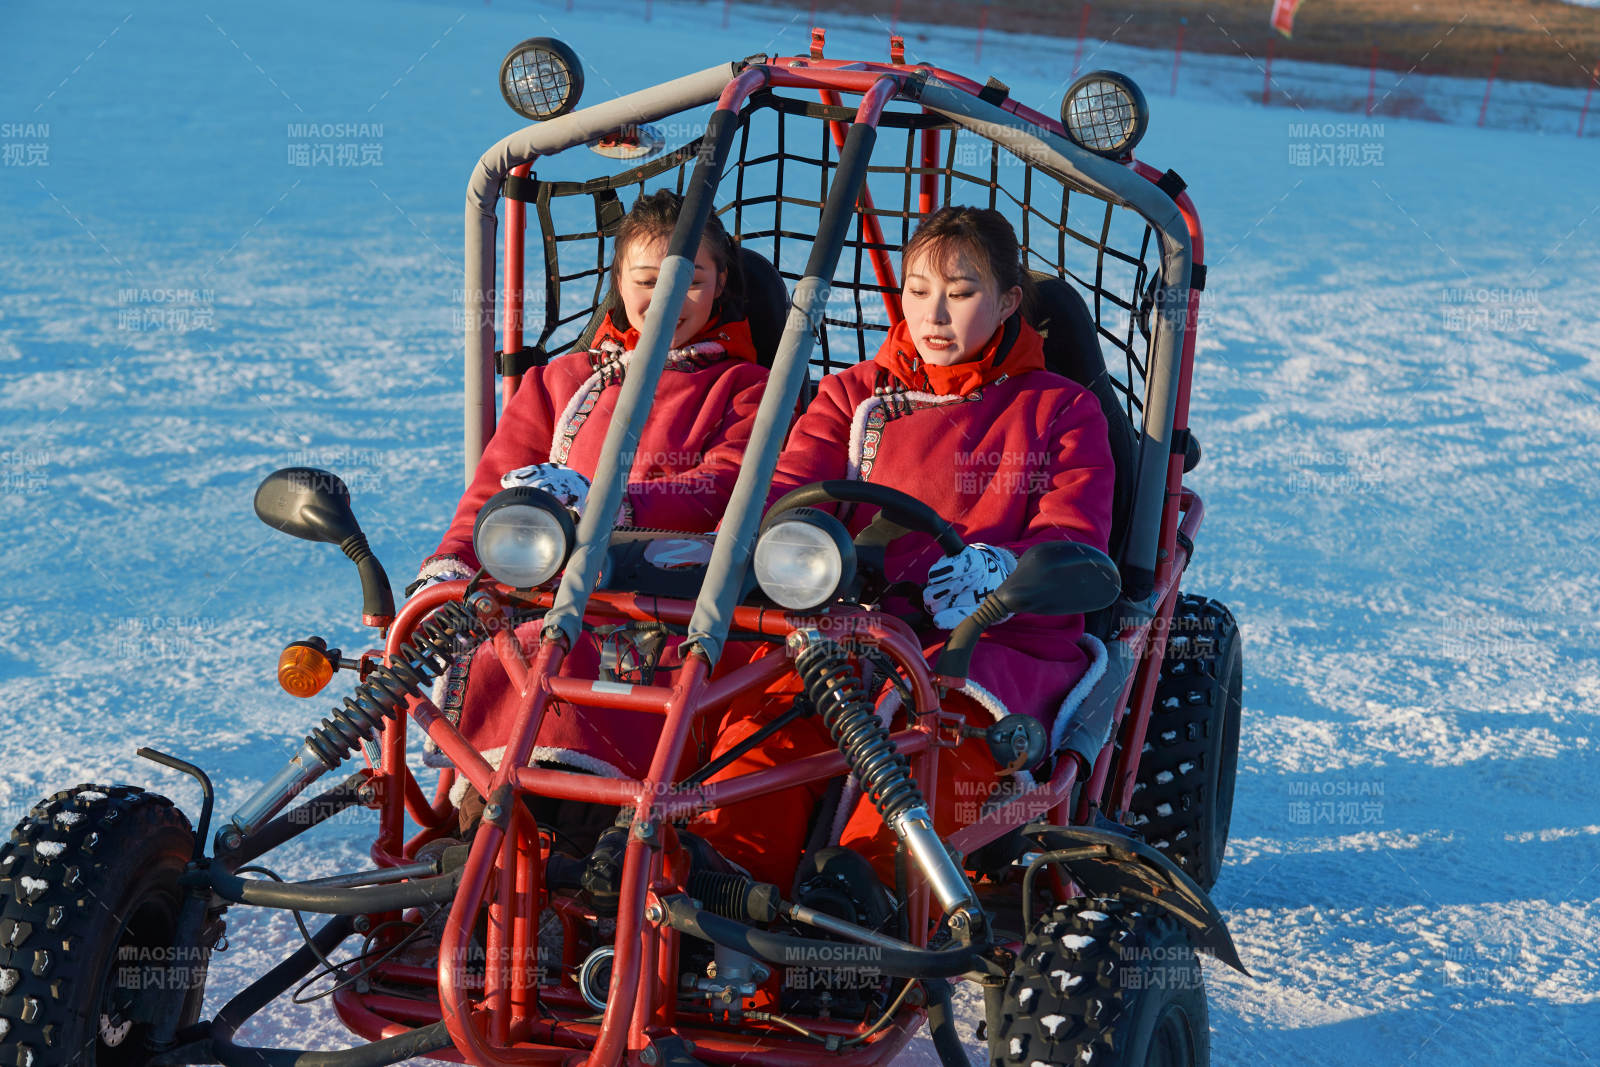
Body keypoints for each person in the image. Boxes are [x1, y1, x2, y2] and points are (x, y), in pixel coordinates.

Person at [692, 205, 1117, 892]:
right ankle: (729, 879)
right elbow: (788, 492)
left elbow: (1075, 533)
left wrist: (999, 571)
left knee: (945, 734)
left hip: (995, 642)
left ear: (1009, 301)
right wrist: (790, 544)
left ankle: (870, 889)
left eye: (962, 292)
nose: (935, 315)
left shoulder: (1060, 408)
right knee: (773, 712)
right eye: (919, 291)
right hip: (849, 626)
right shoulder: (853, 395)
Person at [411, 189, 769, 804]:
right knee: (508, 657)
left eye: (690, 281)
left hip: (668, 605)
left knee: (595, 666)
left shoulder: (744, 385)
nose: (664, 299)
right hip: (542, 593)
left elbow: (728, 483)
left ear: (720, 285)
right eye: (646, 279)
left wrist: (610, 505)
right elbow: (497, 486)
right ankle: (489, 832)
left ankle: (598, 832)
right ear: (619, 282)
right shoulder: (562, 380)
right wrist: (450, 568)